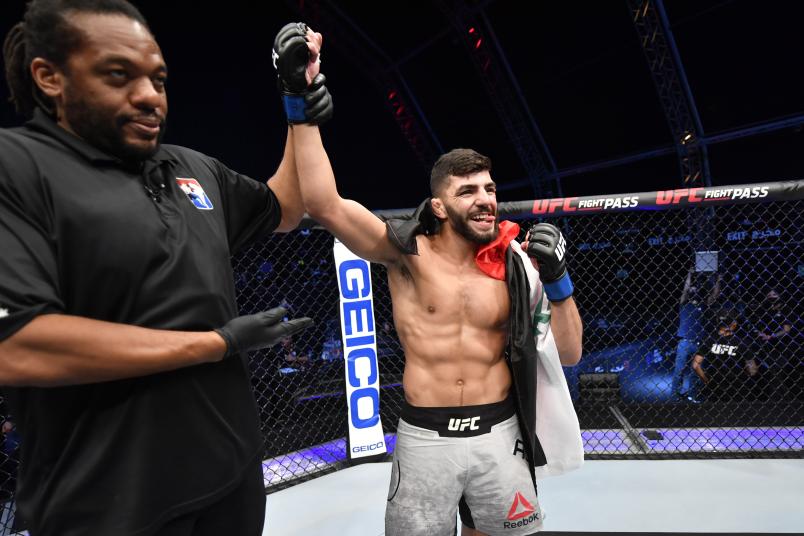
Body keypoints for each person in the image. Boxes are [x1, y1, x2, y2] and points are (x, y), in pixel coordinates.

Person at [0, 2, 331, 534]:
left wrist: (297, 99)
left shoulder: (189, 166)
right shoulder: (17, 166)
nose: (150, 96)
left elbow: (286, 208)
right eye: (118, 74)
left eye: (158, 79)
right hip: (107, 502)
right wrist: (215, 344)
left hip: (230, 475)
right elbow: (15, 345)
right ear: (49, 77)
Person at [274, 24, 583, 536]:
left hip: (500, 433)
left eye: (489, 187)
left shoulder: (514, 262)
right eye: (468, 191)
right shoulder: (405, 255)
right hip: (425, 439)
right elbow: (323, 203)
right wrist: (298, 102)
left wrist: (559, 279)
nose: (485, 198)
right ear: (439, 205)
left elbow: (569, 353)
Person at [671, 266, 722, 402]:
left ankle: (693, 395)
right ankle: (675, 396)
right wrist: (689, 274)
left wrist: (718, 280)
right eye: (692, 289)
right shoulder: (684, 304)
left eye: (696, 289)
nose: (693, 290)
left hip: (699, 343)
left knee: (696, 370)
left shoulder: (704, 305)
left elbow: (715, 295)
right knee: (679, 370)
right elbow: (685, 289)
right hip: (685, 342)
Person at [691, 309, 758, 402]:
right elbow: (752, 370)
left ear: (718, 321)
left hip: (714, 385)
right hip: (737, 386)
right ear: (734, 324)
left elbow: (695, 365)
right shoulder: (742, 342)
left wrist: (706, 381)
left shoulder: (708, 339)